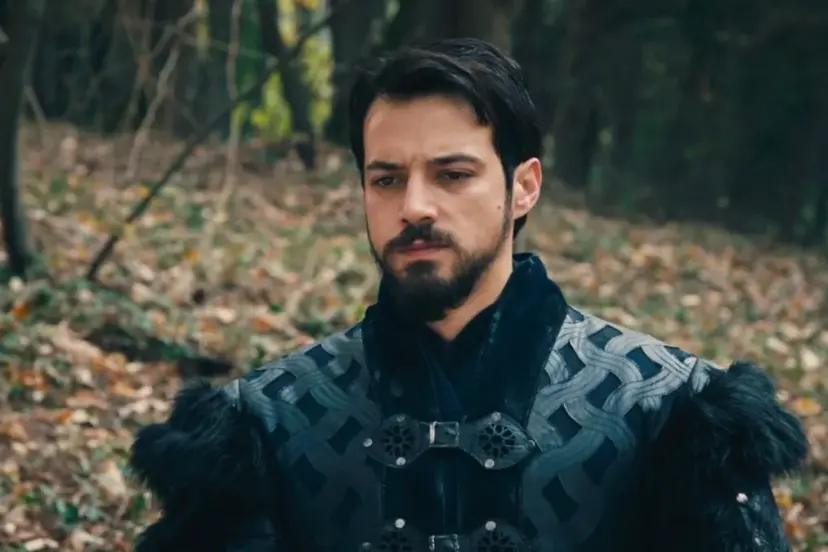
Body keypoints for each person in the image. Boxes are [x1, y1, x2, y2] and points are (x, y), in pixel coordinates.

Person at [129, 38, 809, 552]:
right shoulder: (266, 424)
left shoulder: (668, 410)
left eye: (452, 174)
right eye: (386, 179)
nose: (413, 206)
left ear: (524, 187)